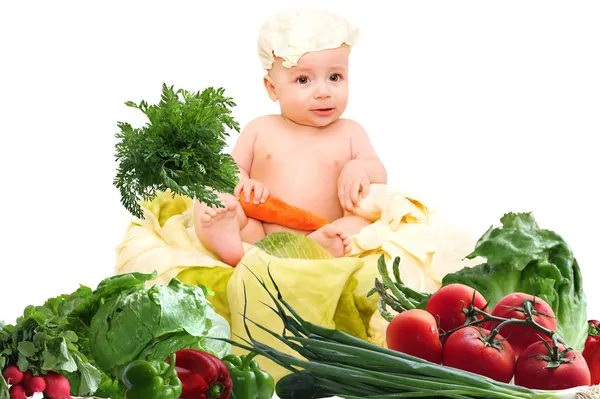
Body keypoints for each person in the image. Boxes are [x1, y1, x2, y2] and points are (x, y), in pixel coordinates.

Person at [194, 9, 388, 266]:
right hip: (258, 234)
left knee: (360, 224)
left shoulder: (351, 132)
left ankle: (315, 249)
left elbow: (379, 172)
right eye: (303, 80)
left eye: (334, 77)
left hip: (325, 232)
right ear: (272, 88)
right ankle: (227, 240)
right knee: (209, 196)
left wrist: (359, 168)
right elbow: (230, 168)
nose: (323, 92)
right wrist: (243, 182)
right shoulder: (259, 129)